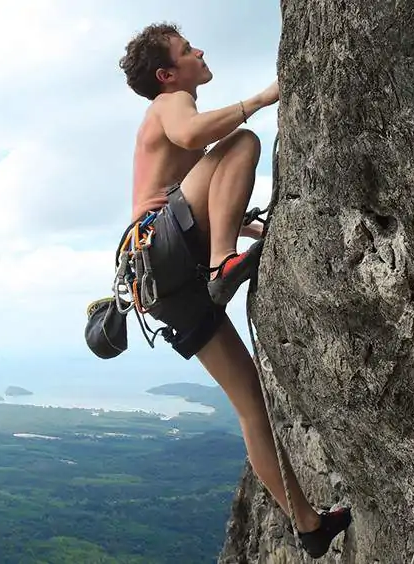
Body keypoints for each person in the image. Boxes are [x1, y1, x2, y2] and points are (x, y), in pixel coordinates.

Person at [117, 22, 353, 558]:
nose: (199, 50)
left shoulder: (168, 108)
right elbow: (193, 136)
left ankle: (308, 524)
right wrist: (263, 98)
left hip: (158, 281)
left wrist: (242, 223)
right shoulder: (170, 101)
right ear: (166, 73)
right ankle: (225, 262)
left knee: (252, 406)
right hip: (166, 252)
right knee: (241, 140)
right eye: (186, 49)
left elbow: (182, 186)